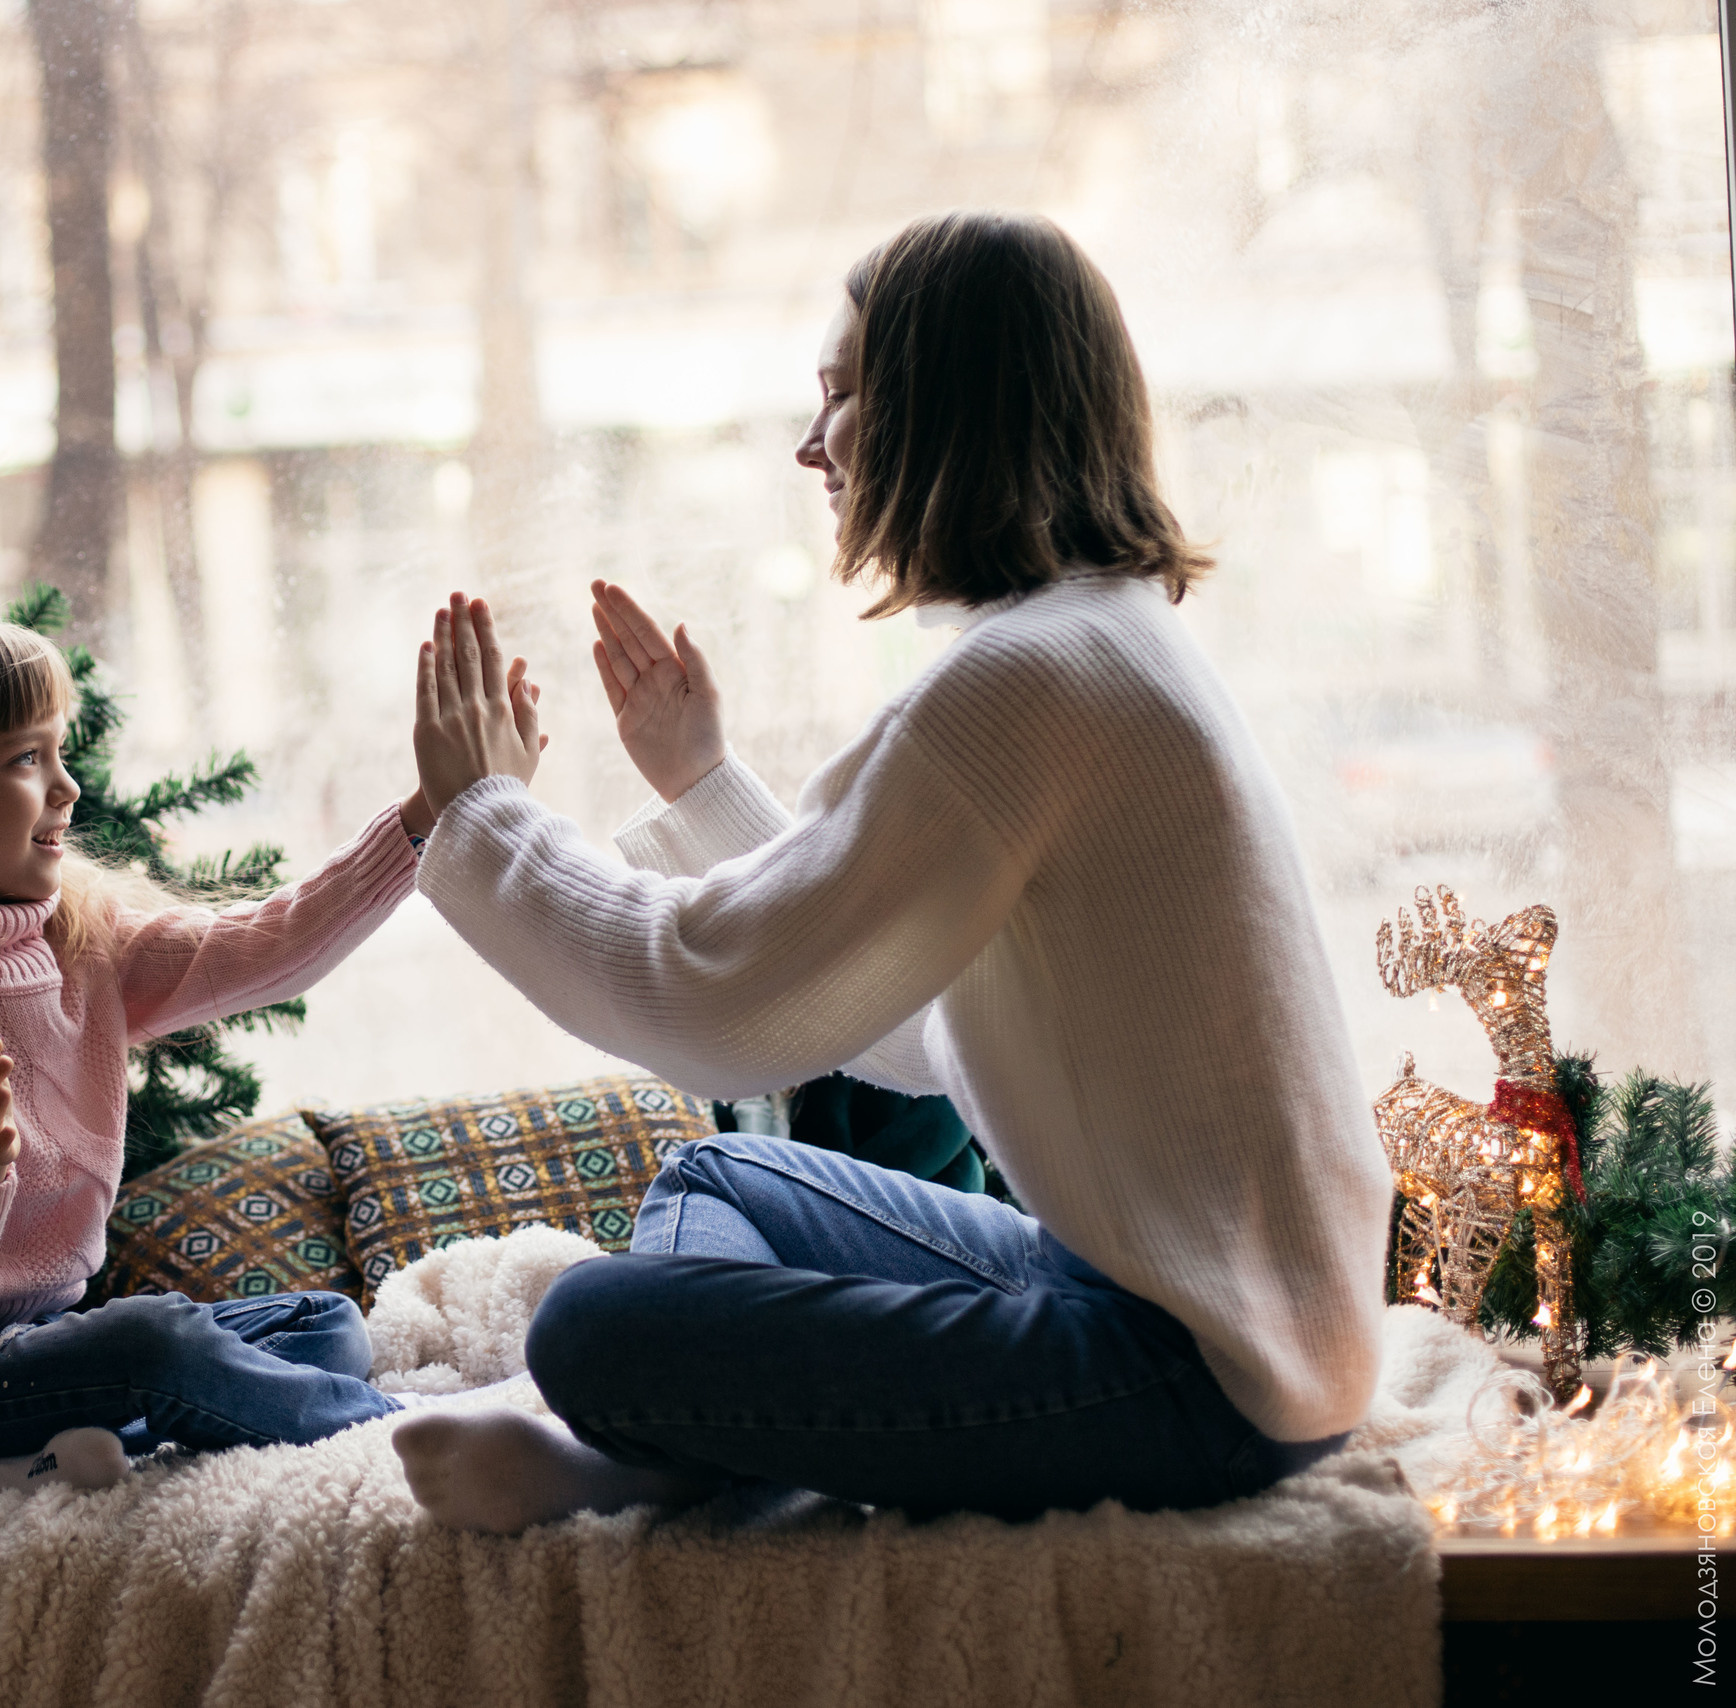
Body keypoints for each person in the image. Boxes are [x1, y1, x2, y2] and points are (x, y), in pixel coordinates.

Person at [392, 210, 1394, 1532]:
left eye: (841, 395)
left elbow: (718, 1006)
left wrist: (483, 819)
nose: (813, 444)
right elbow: (923, 1028)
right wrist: (701, 790)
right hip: (1202, 1323)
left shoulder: (1031, 679)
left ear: (946, 404)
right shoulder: (1094, 640)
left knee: (592, 1326)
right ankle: (682, 1449)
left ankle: (662, 1449)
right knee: (710, 1184)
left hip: (1201, 1383)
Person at [0, 595, 436, 1493]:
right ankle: (412, 1434)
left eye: (61, 751)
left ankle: (55, 1454)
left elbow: (264, 948)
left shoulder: (77, 942)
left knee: (326, 1325)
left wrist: (423, 816)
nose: (68, 788)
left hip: (34, 1354)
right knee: (157, 1346)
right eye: (25, 758)